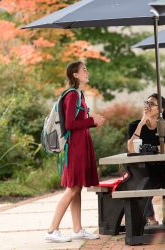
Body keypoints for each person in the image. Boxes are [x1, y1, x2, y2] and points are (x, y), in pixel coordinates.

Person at [45, 61, 105, 242]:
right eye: (83, 69)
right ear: (76, 75)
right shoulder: (72, 95)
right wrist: (91, 120)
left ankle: (77, 229)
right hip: (75, 147)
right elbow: (70, 124)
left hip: (80, 143)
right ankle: (52, 230)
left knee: (77, 187)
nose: (87, 71)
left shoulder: (79, 94)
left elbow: (78, 124)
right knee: (72, 188)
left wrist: (92, 122)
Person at [127, 94, 165, 225]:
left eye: (151, 104)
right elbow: (131, 148)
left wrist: (151, 149)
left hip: (161, 167)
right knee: (142, 180)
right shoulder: (134, 125)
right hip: (141, 168)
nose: (147, 106)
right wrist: (141, 124)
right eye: (146, 103)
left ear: (161, 110)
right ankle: (150, 218)